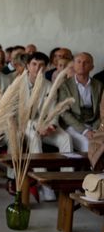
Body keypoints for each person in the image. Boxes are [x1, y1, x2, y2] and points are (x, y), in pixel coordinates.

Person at [23, 52, 72, 201]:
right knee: (34, 138)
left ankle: (66, 182)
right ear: (27, 66)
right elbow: (17, 115)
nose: (37, 68)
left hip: (45, 124)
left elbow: (54, 109)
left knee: (66, 138)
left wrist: (51, 125)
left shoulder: (50, 85)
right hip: (25, 125)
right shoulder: (17, 84)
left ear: (46, 67)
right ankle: (43, 184)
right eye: (34, 64)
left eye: (41, 65)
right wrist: (36, 126)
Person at [58, 52, 104, 152]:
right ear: (73, 65)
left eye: (86, 62)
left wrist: (96, 129)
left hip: (94, 124)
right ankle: (91, 168)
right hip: (73, 125)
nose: (82, 65)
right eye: (78, 62)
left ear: (92, 67)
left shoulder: (99, 85)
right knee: (88, 145)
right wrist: (85, 131)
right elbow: (64, 113)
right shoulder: (65, 85)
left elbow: (101, 110)